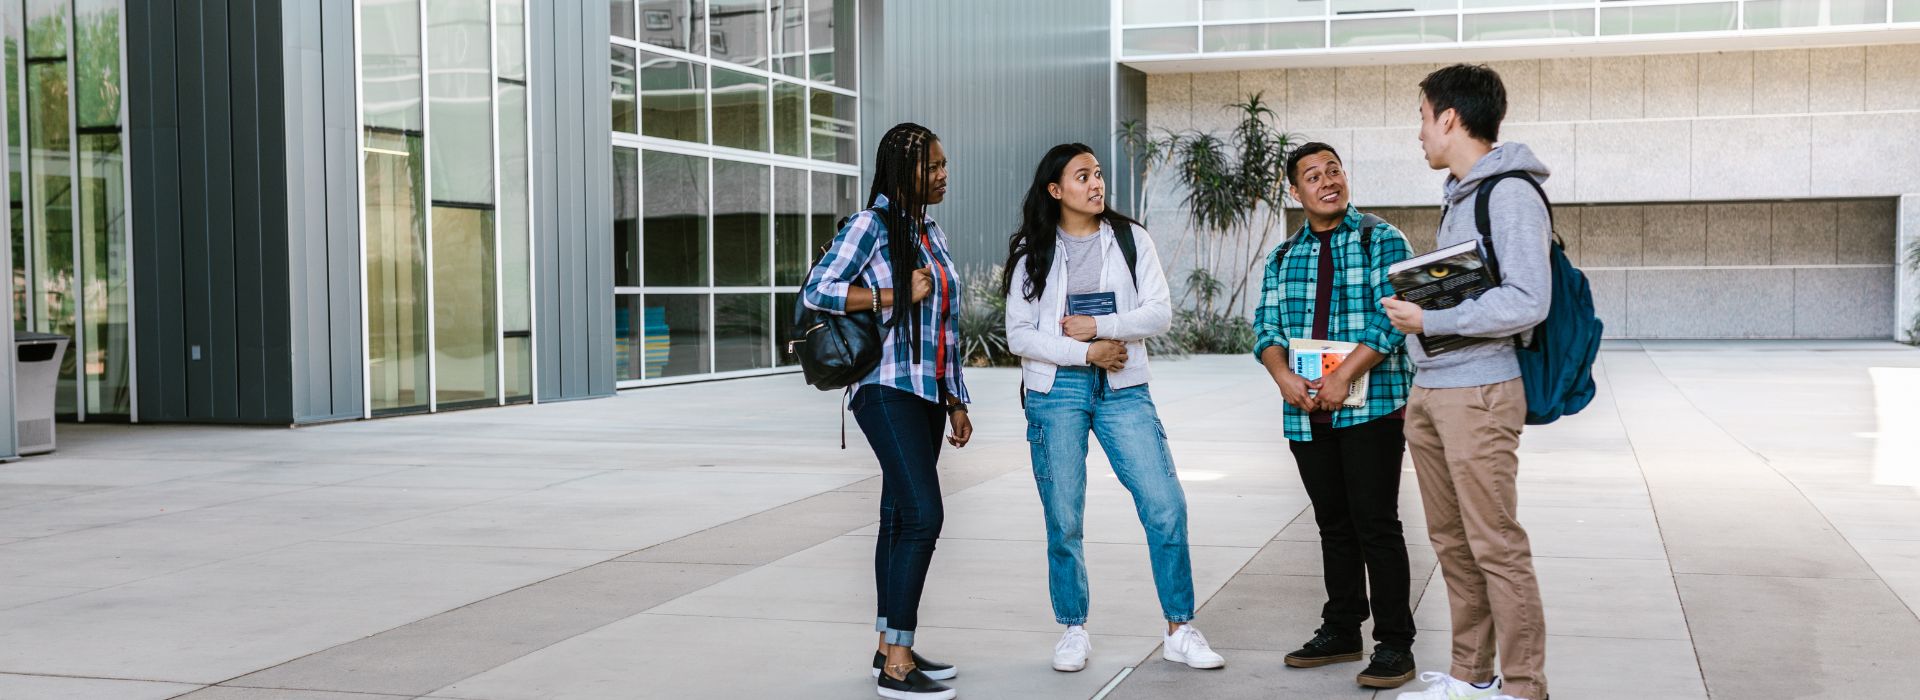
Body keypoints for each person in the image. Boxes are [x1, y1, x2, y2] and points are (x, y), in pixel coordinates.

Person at [1001, 143, 1226, 676]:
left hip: (1124, 387)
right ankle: (1073, 629)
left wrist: (1102, 328)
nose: (1096, 183)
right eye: (1083, 176)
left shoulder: (1130, 238)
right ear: (1056, 190)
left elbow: (1159, 312)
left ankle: (1179, 629)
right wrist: (1086, 352)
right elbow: (1018, 334)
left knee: (1165, 503)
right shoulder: (1032, 250)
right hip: (1057, 392)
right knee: (1064, 516)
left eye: (1098, 174)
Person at [1381, 64, 1554, 700]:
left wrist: (1431, 316)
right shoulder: (1460, 194)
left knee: (1494, 546)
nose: (1419, 133)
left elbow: (1529, 299)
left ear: (1450, 117)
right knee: (1453, 545)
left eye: (1423, 118)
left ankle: (1524, 688)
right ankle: (1470, 678)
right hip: (1435, 388)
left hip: (1479, 392)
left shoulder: (1506, 192)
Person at [802, 122, 973, 700]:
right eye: (933, 167)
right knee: (924, 516)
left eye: (944, 164)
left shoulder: (930, 232)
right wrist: (894, 293)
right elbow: (818, 290)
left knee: (901, 517)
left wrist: (955, 399)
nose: (944, 174)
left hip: (925, 392)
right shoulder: (868, 227)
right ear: (904, 173)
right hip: (883, 388)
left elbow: (945, 325)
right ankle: (898, 664)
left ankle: (888, 644)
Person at [1252, 142, 1418, 689]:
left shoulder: (1379, 238)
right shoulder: (1281, 258)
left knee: (1376, 524)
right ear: (1294, 191)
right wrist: (1283, 377)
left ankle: (1395, 644)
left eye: (1335, 170)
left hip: (1372, 406)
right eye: (1313, 176)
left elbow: (1393, 319)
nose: (1328, 181)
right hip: (1306, 412)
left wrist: (1344, 373)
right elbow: (1267, 329)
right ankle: (1343, 628)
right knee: (1333, 525)